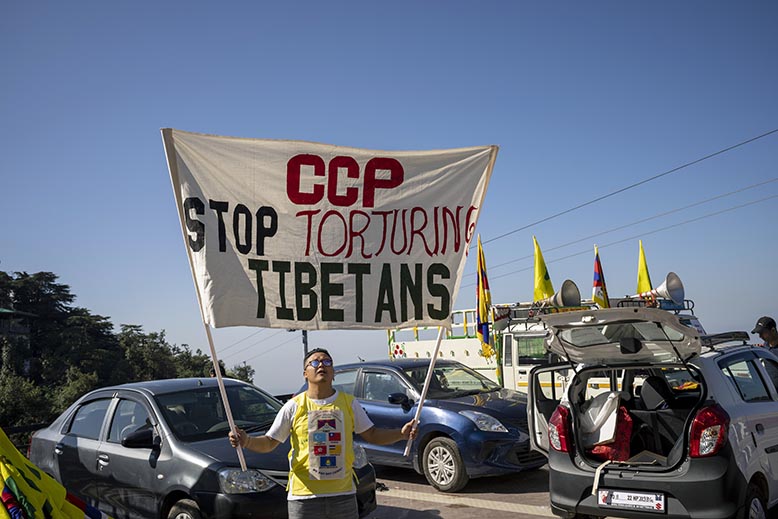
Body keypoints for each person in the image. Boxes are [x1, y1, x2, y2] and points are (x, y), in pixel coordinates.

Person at [228, 348, 416, 519]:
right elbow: (269, 442)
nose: (322, 366)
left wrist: (401, 433)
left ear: (333, 372)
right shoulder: (293, 406)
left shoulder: (349, 403)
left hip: (343, 496)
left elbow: (373, 435)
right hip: (303, 497)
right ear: (305, 373)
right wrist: (246, 441)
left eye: (327, 362)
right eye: (315, 362)